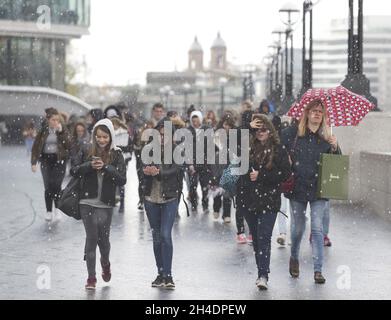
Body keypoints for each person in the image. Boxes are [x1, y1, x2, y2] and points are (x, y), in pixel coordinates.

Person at [281, 98, 341, 284]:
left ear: (323, 116)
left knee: (317, 228)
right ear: (306, 113)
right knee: (298, 228)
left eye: (320, 111)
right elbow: (280, 150)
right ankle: (294, 257)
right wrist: (287, 161)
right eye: (313, 110)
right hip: (297, 187)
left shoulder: (326, 138)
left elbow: (336, 164)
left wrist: (335, 146)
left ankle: (318, 270)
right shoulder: (292, 133)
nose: (316, 113)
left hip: (319, 189)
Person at [71, 119, 126, 290]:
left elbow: (122, 180)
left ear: (110, 136)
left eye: (105, 136)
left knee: (104, 241)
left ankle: (105, 263)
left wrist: (107, 167)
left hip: (106, 203)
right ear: (94, 136)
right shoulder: (86, 150)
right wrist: (89, 166)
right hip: (86, 201)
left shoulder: (117, 154)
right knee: (91, 237)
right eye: (98, 136)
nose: (101, 140)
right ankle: (91, 278)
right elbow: (74, 169)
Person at [237, 114, 291, 290]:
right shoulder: (247, 147)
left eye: (264, 129)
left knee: (264, 237)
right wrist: (247, 127)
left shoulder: (278, 148)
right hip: (249, 200)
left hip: (269, 200)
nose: (261, 133)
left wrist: (262, 176)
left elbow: (285, 173)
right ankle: (261, 270)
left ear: (270, 130)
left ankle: (263, 275)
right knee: (257, 241)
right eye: (257, 129)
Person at [142, 118, 182, 289]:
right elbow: (140, 169)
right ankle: (160, 274)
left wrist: (158, 172)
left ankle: (169, 275)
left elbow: (175, 170)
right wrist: (146, 171)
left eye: (166, 134)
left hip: (169, 198)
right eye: (160, 134)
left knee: (165, 234)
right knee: (157, 237)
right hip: (151, 198)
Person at [31, 108, 71, 222]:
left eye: (57, 120)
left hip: (59, 160)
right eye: (53, 120)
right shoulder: (43, 131)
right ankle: (49, 211)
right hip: (46, 160)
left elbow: (69, 144)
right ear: (48, 120)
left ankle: (57, 209)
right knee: (48, 186)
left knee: (56, 185)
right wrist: (33, 163)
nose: (55, 122)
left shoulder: (63, 130)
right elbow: (36, 146)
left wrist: (61, 132)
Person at [188, 110, 210, 214]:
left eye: (197, 121)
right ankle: (193, 204)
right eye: (193, 121)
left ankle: (205, 204)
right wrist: (190, 164)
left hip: (205, 163)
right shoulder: (188, 131)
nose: (195, 123)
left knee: (204, 185)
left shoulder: (206, 130)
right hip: (193, 162)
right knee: (192, 186)